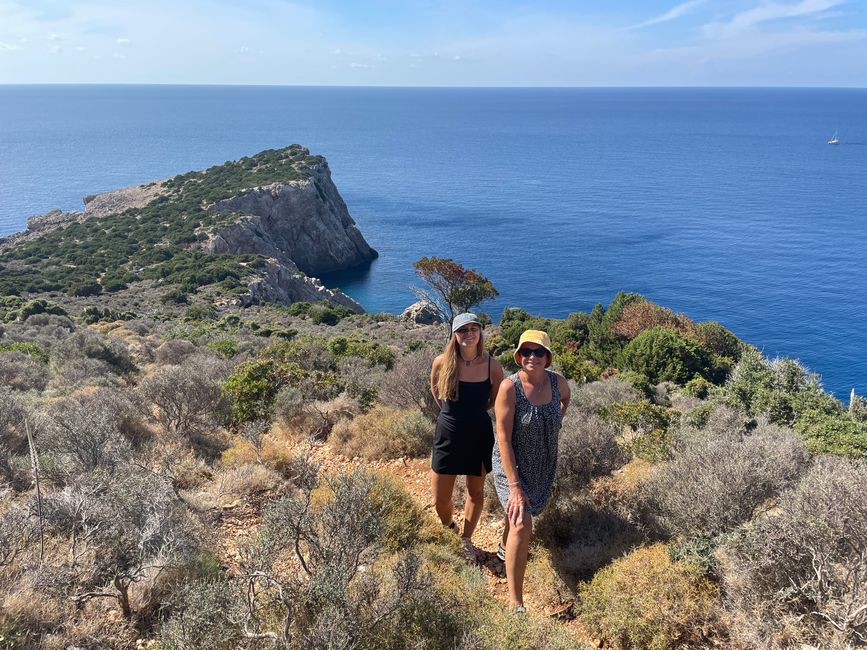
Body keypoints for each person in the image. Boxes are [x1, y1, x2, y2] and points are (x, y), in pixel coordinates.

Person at [492, 329, 570, 612]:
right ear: (518, 355)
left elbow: (566, 399)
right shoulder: (509, 388)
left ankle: (505, 547)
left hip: (542, 464)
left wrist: (556, 422)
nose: (532, 357)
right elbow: (502, 437)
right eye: (526, 351)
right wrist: (514, 486)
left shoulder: (556, 381)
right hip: (511, 464)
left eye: (538, 352)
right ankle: (516, 601)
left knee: (515, 518)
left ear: (547, 357)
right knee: (522, 521)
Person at [430, 312, 504, 542]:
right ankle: (450, 528)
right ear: (455, 335)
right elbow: (436, 391)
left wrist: (476, 411)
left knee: (476, 492)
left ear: (480, 333)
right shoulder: (442, 362)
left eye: (473, 329)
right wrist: (452, 414)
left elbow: (497, 398)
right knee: (440, 499)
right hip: (448, 433)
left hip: (478, 433)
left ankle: (466, 539)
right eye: (463, 330)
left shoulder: (492, 365)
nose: (469, 334)